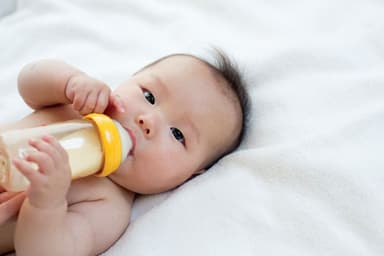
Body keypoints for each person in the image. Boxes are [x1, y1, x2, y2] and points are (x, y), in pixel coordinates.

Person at [0, 51, 250, 255]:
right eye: (149, 96)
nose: (148, 120)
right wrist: (69, 81)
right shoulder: (81, 106)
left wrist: (46, 205)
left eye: (177, 134)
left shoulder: (107, 206)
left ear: (190, 176)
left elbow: (47, 252)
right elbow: (28, 81)